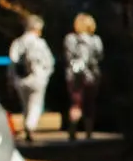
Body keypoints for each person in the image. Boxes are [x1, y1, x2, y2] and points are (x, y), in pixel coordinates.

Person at [8, 15, 56, 143]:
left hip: (20, 79)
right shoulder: (40, 43)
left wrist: (12, 79)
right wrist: (46, 74)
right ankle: (30, 126)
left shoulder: (17, 43)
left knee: (25, 105)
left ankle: (27, 126)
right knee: (36, 104)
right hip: (38, 78)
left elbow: (12, 62)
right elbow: (49, 61)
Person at [64, 12, 104, 140]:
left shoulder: (70, 39)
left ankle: (72, 130)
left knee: (76, 103)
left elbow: (68, 56)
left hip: (74, 75)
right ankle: (88, 132)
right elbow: (100, 55)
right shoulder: (96, 40)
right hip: (92, 76)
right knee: (90, 104)